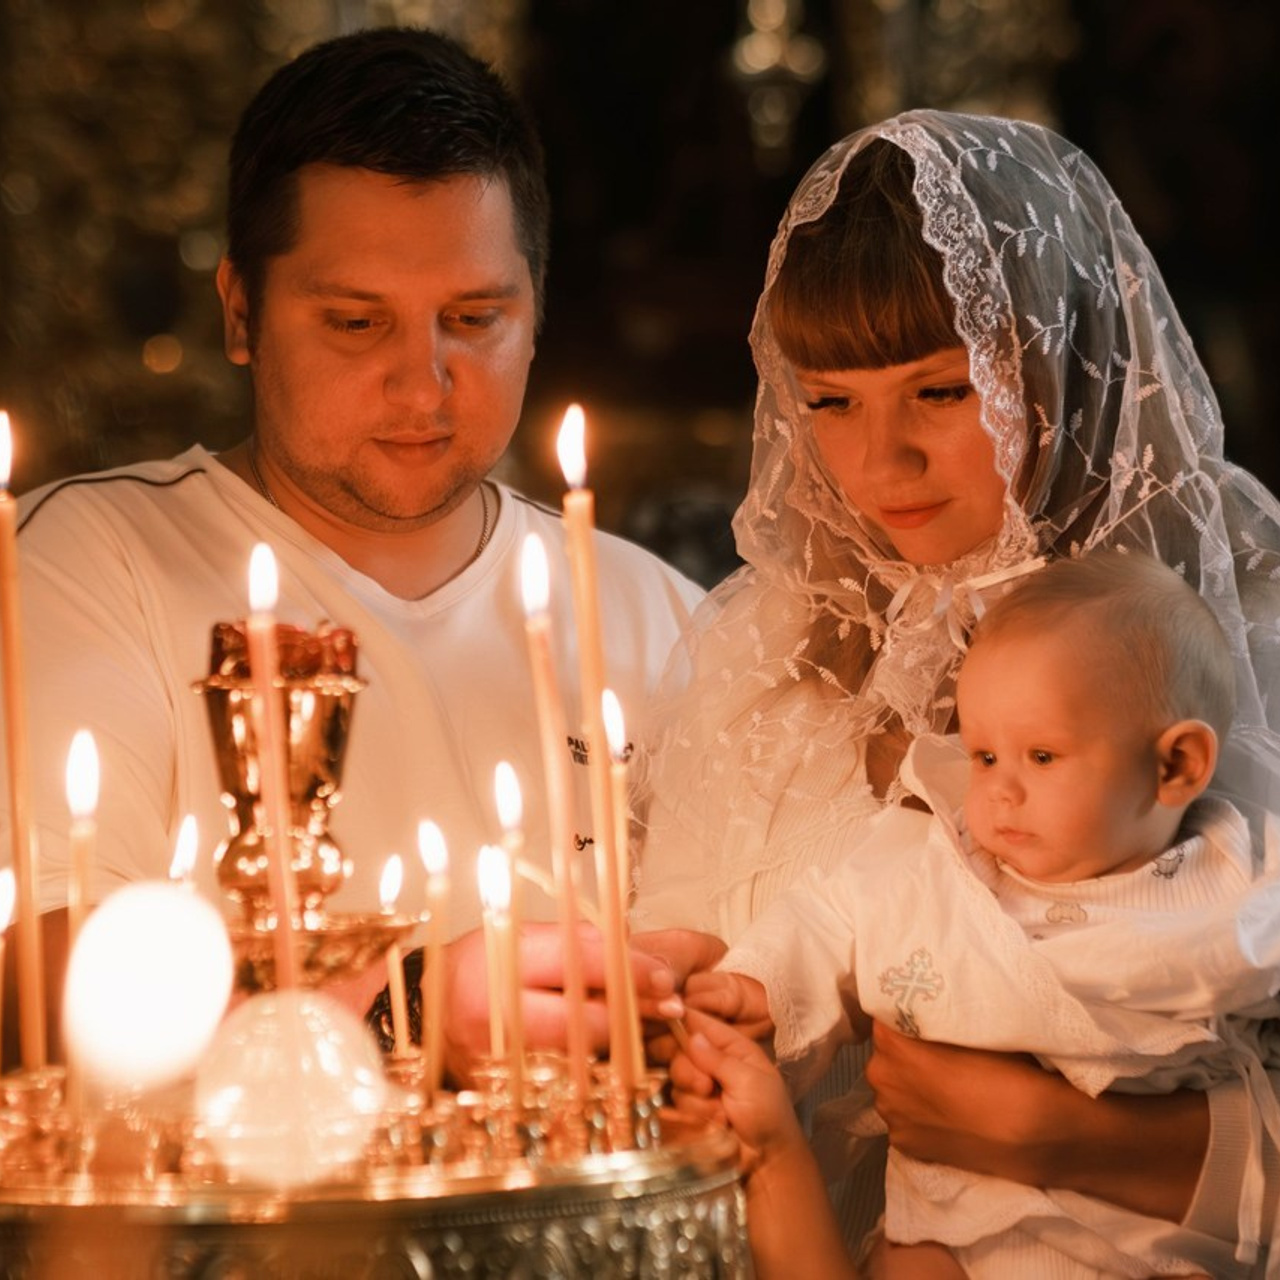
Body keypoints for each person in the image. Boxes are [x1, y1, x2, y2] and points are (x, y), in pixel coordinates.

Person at [631, 112, 1280, 1255]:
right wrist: (678, 998)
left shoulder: (1238, 636)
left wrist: (1062, 1137)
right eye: (829, 401)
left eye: (937, 392)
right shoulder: (762, 668)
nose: (880, 463)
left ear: (1061, 358)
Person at [0, 26, 703, 1073]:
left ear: (537, 306)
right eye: (355, 324)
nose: (422, 386)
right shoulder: (91, 561)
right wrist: (409, 1013)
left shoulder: (661, 616)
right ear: (242, 312)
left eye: (473, 317)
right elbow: (43, 970)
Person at [671, 550, 1280, 1279]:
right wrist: (757, 985)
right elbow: (836, 913)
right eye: (986, 755)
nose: (998, 793)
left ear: (1176, 766)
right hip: (948, 1227)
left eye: (1043, 757)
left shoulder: (1238, 899)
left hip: (1143, 1242)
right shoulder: (949, 862)